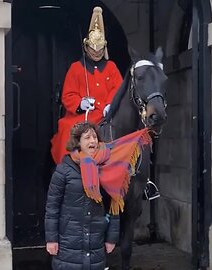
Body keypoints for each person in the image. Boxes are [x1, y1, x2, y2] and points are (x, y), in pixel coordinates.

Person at [45, 122, 153, 269]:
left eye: (95, 137)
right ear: (77, 143)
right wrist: (51, 239)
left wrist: (111, 238)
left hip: (95, 242)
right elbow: (52, 208)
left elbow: (113, 204)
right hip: (69, 242)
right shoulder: (63, 170)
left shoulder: (105, 168)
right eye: (87, 138)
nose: (93, 141)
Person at [50, 6, 123, 165]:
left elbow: (118, 89)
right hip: (80, 116)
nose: (96, 52)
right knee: (66, 129)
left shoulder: (111, 67)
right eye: (93, 48)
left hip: (105, 114)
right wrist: (80, 103)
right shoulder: (76, 68)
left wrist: (110, 103)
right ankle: (67, 168)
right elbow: (68, 95)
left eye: (99, 49)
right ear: (86, 46)